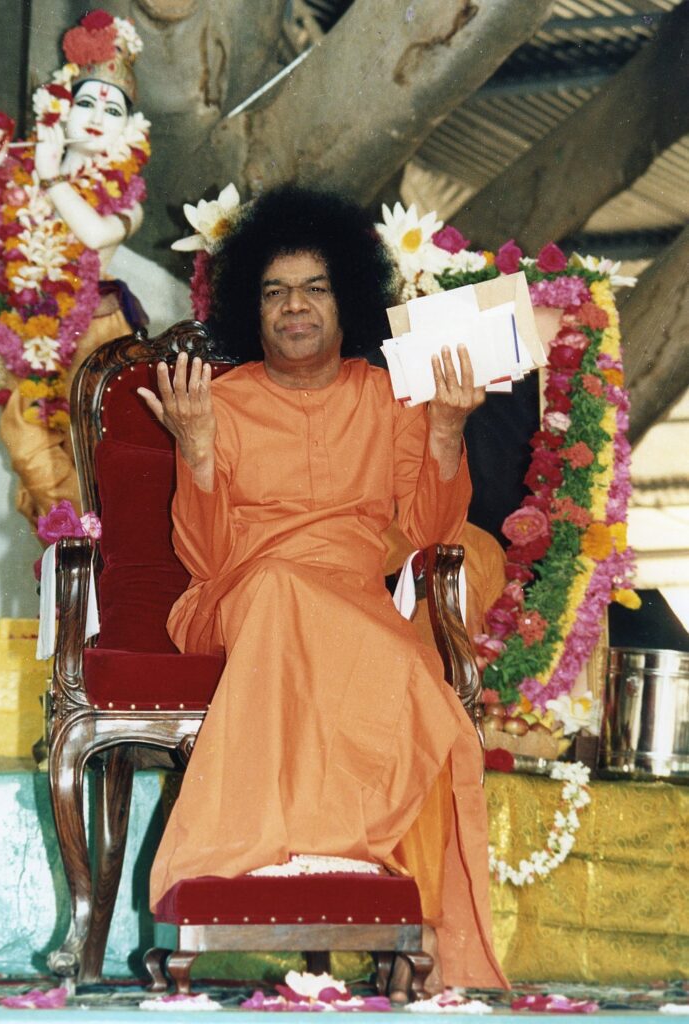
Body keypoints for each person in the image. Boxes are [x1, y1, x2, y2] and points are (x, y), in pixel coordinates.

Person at [139, 186, 507, 992]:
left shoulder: (389, 399)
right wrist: (197, 452)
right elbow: (203, 557)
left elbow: (434, 529)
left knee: (386, 649)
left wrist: (446, 430)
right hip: (236, 597)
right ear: (251, 307)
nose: (294, 308)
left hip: (354, 602)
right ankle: (271, 845)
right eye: (274, 292)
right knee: (278, 587)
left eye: (314, 288)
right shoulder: (221, 403)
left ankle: (321, 846)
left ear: (347, 301)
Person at [0, 9, 150, 527]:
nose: (98, 115)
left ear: (129, 127)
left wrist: (54, 181)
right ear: (60, 106)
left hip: (97, 340)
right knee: (28, 449)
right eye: (86, 101)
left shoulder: (126, 194)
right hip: (29, 348)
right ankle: (71, 552)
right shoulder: (22, 172)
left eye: (113, 108)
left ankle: (104, 554)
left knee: (97, 456)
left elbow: (96, 234)